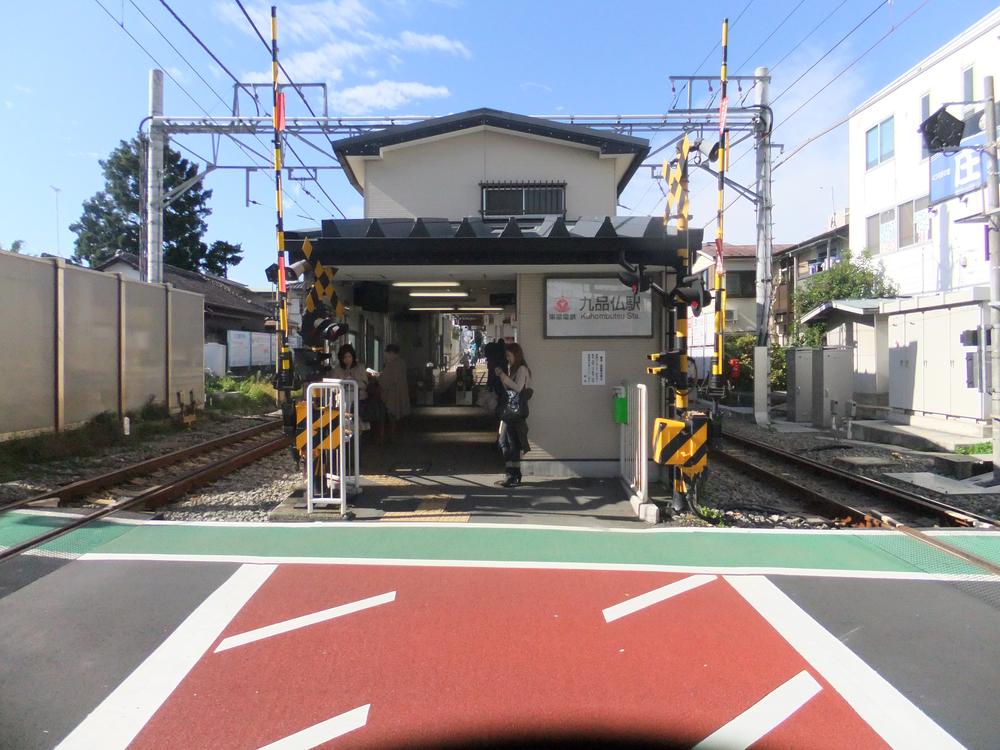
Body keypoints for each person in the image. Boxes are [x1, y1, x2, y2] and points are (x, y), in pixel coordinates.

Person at [494, 342, 532, 488]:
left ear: (516, 355)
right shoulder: (514, 369)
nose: (507, 358)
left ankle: (511, 474)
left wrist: (503, 376)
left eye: (509, 355)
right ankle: (514, 473)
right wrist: (503, 376)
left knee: (509, 443)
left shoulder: (522, 369)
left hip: (514, 411)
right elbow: (509, 388)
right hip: (511, 411)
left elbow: (517, 388)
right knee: (508, 443)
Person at [331, 343, 371, 428]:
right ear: (341, 358)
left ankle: (354, 426)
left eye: (349, 356)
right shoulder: (338, 369)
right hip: (342, 394)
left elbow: (365, 384)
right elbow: (333, 385)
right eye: (345, 357)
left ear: (353, 356)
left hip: (358, 395)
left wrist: (354, 381)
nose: (347, 359)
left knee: (350, 403)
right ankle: (345, 425)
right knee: (342, 400)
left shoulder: (360, 367)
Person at [378, 344, 411, 438]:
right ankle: (394, 433)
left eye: (387, 354)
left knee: (392, 411)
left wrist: (379, 377)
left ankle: (392, 434)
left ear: (392, 353)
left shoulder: (393, 364)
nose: (386, 356)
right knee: (395, 412)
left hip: (393, 392)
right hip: (398, 391)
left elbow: (386, 380)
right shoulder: (401, 363)